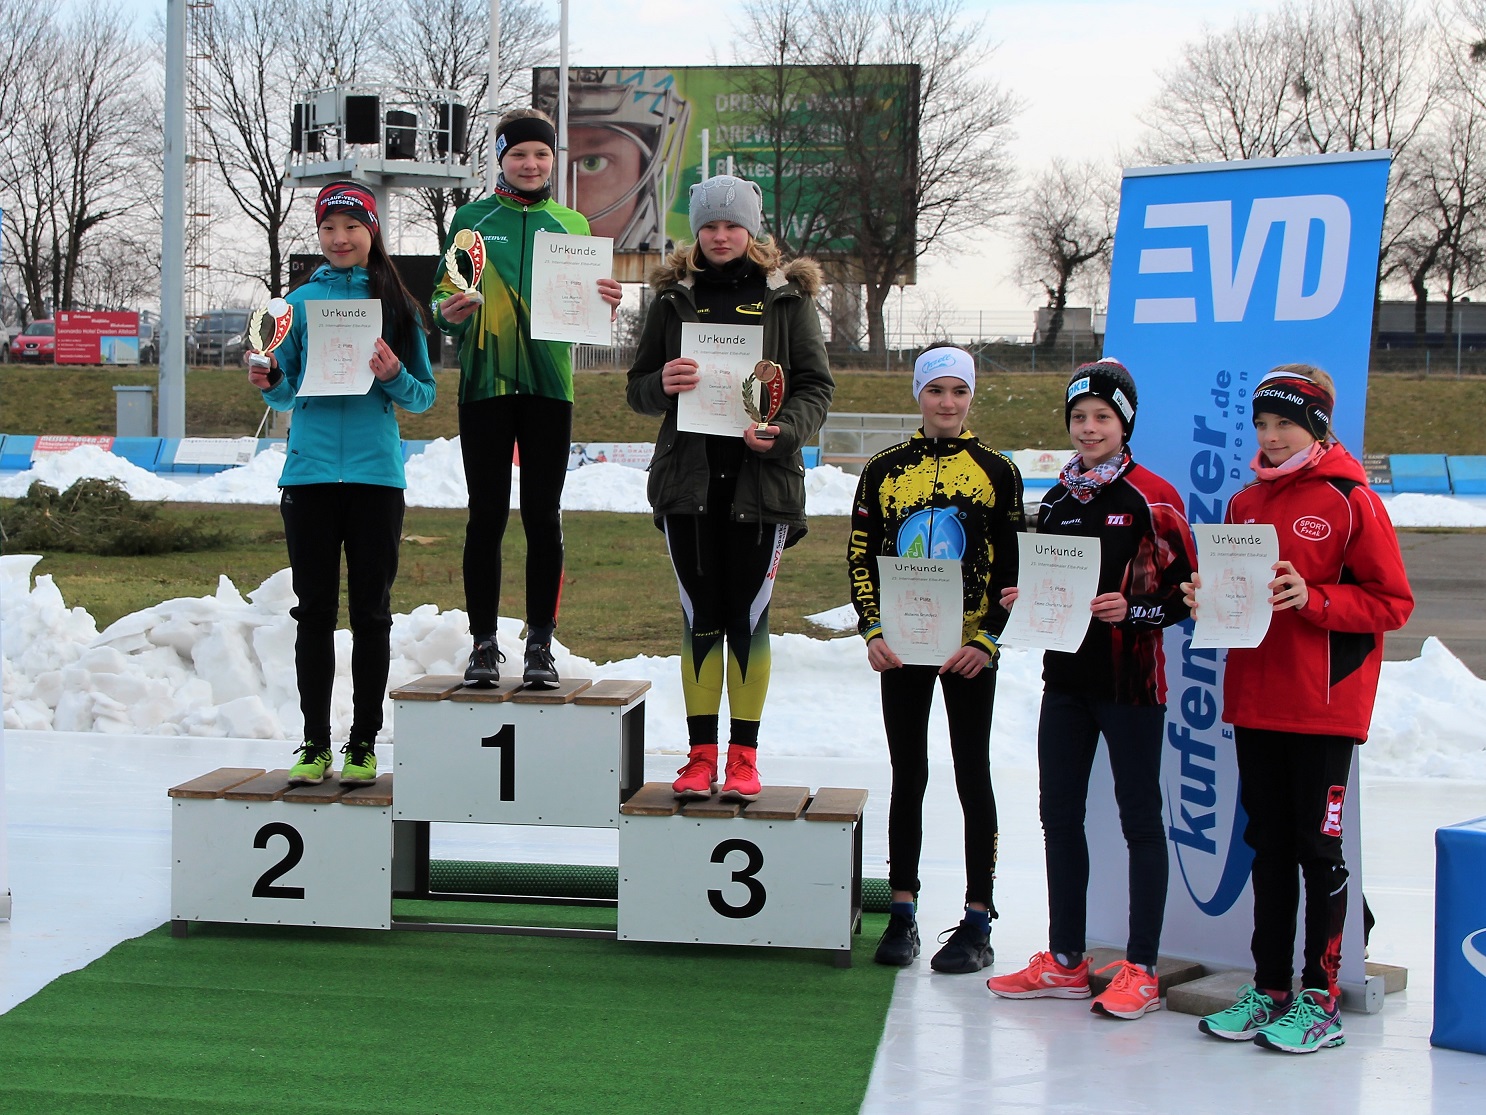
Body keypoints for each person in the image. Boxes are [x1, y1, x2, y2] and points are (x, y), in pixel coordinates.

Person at [1187, 365, 1413, 1053]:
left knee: (1319, 849)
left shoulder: (1351, 499)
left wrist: (1313, 599)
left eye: (1284, 423)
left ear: (1315, 426)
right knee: (1270, 848)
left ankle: (1320, 997)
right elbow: (1237, 601)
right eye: (1261, 424)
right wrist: (1207, 599)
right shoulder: (1244, 502)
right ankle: (1270, 989)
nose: (1271, 436)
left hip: (1322, 706)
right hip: (1257, 701)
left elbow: (1392, 603)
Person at [986, 360, 1195, 1017]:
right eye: (1079, 417)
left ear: (1125, 423)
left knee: (1140, 821)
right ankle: (1067, 960)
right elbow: (1052, 589)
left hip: (1131, 685)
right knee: (1058, 816)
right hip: (1066, 683)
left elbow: (1188, 596)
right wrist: (1024, 600)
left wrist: (1133, 610)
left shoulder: (1152, 498)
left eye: (1103, 416)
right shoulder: (1056, 500)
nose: (1089, 427)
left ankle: (1142, 967)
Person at [626, 174, 834, 801]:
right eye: (710, 226)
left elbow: (815, 387)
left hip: (761, 486)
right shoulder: (672, 299)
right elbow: (638, 388)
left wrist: (786, 432)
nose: (720, 236)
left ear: (752, 230)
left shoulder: (787, 299)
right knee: (700, 617)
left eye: (732, 225)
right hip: (689, 486)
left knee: (747, 618)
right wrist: (662, 384)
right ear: (696, 232)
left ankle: (743, 758)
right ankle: (699, 756)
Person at [248, 181, 437, 787]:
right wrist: (270, 381)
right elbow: (286, 391)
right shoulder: (297, 305)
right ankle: (313, 742)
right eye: (328, 227)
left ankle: (363, 742)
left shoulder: (397, 305)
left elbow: (423, 397)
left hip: (376, 478)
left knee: (371, 615)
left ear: (371, 231)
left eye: (351, 226)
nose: (339, 238)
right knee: (314, 614)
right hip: (308, 477)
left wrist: (394, 373)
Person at [431, 108, 623, 690]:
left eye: (541, 153)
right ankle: (483, 644)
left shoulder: (572, 223)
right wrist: (448, 313)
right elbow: (443, 299)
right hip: (484, 386)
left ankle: (541, 643)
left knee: (543, 516)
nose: (531, 163)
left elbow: (586, 306)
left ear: (553, 159)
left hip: (548, 387)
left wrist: (605, 301)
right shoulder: (471, 220)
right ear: (500, 158)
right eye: (518, 153)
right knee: (485, 516)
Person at [848, 344, 1024, 974]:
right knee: (909, 775)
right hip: (904, 648)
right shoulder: (883, 469)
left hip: (967, 650)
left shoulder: (998, 470)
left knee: (972, 774)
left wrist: (987, 640)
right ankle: (902, 912)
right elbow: (862, 554)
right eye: (936, 390)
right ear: (918, 395)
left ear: (970, 396)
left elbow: (1012, 567)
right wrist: (872, 630)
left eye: (959, 391)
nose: (947, 403)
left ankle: (978, 920)